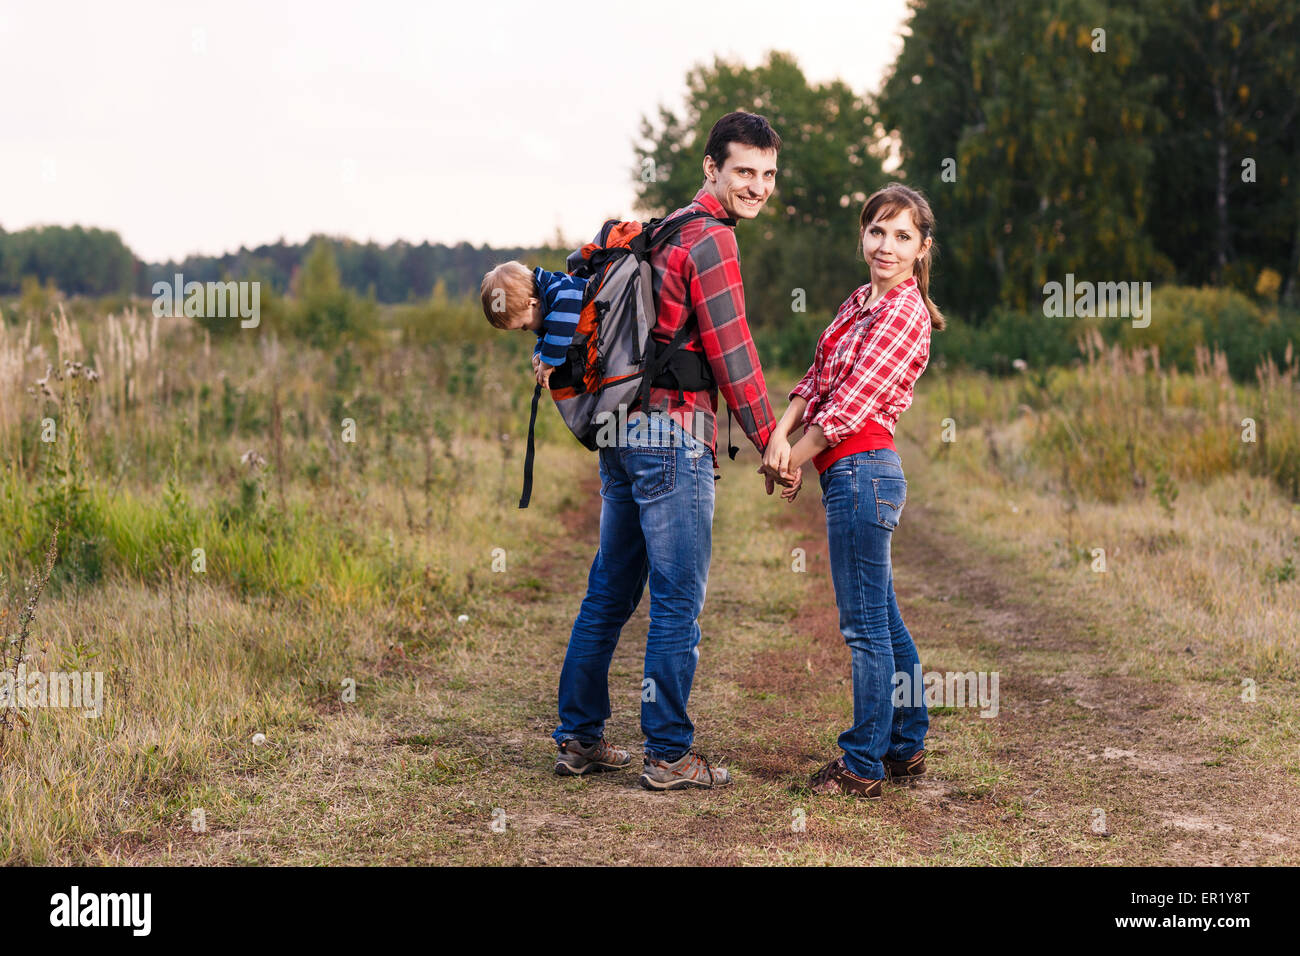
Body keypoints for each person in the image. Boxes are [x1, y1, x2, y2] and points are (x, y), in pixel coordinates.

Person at [552, 111, 784, 790]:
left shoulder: (659, 231)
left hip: (622, 432)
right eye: (744, 171)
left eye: (768, 175)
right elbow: (734, 354)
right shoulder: (711, 240)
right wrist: (774, 444)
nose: (757, 186)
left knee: (610, 592)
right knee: (678, 600)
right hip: (673, 436)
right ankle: (669, 754)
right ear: (711, 168)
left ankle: (579, 738)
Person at [762, 183, 945, 798]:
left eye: (901, 236)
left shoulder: (903, 313)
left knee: (864, 628)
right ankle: (905, 741)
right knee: (883, 619)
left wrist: (792, 460)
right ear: (862, 235)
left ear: (922, 249)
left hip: (864, 471)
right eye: (876, 231)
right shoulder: (858, 301)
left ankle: (862, 763)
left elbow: (850, 405)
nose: (885, 246)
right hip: (844, 471)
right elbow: (816, 380)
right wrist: (778, 437)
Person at [479, 261, 586, 387]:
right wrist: (539, 354)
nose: (525, 330)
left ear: (532, 303)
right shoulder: (545, 307)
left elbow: (560, 328)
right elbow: (547, 333)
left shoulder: (562, 293)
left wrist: (546, 363)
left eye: (523, 325)